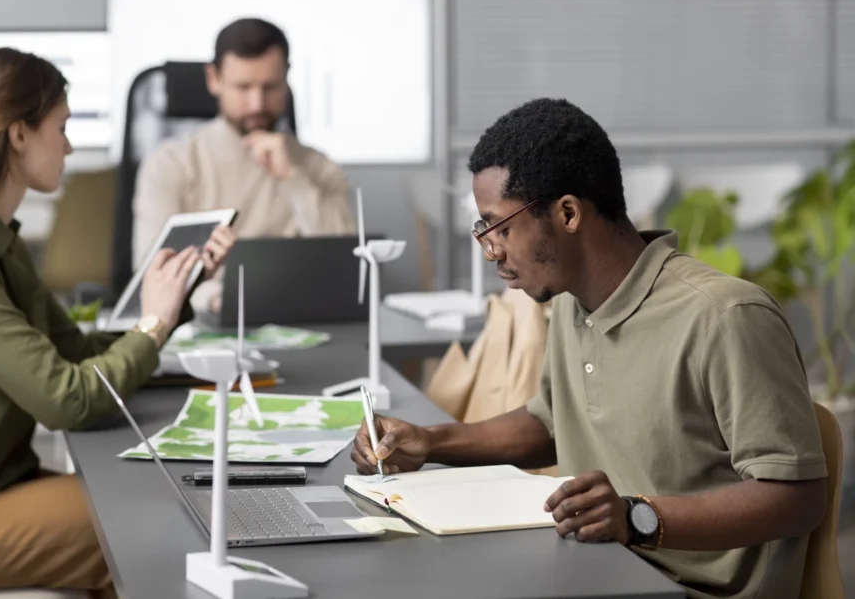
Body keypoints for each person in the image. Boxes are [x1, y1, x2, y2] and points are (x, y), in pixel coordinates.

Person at [351, 98, 828, 599]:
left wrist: (636, 517)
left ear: (569, 213)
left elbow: (797, 498)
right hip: (593, 569)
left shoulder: (724, 317)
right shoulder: (570, 304)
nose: (492, 252)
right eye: (484, 231)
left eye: (500, 229)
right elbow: (549, 421)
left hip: (683, 589)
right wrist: (431, 442)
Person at [0, 48, 235, 599]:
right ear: (18, 135)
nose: (70, 145)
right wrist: (150, 324)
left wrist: (175, 299)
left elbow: (73, 352)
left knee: (154, 510)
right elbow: (69, 401)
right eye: (62, 127)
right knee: (153, 529)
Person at [133, 17, 356, 313]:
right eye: (243, 87)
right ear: (214, 79)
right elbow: (153, 271)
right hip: (203, 318)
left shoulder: (318, 168)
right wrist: (216, 298)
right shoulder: (170, 164)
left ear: (287, 78)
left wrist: (292, 179)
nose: (257, 104)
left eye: (269, 87)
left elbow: (346, 265)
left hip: (299, 318)